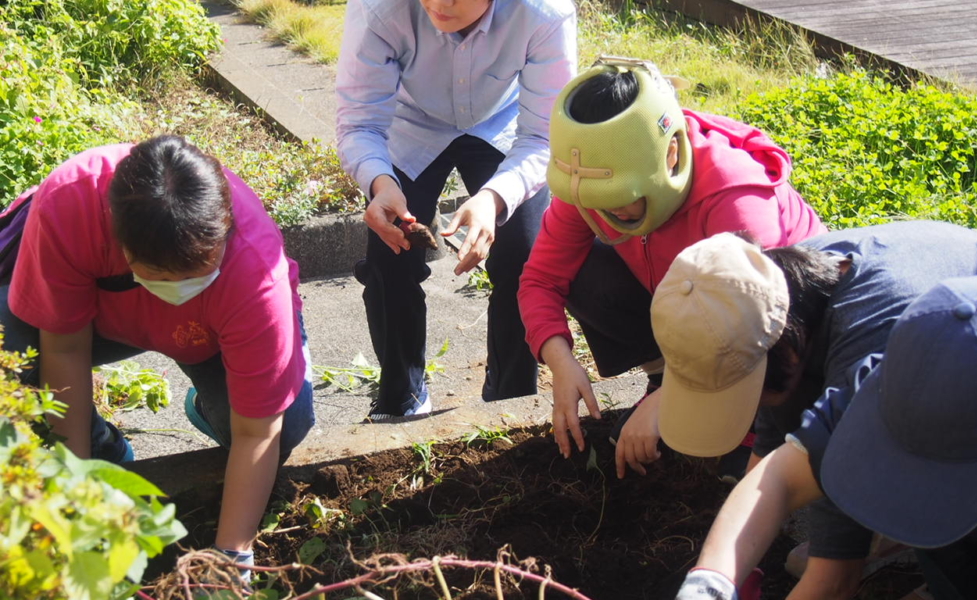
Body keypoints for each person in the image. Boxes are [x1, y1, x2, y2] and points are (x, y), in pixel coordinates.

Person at [0, 136, 314, 573]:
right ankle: (106, 451)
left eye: (196, 274)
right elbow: (65, 347)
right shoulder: (71, 204)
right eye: (162, 276)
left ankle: (212, 404)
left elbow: (257, 433)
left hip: (210, 336)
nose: (179, 288)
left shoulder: (255, 272)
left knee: (288, 423)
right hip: (103, 320)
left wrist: (231, 558)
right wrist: (79, 492)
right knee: (8, 356)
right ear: (121, 245)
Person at [649, 223, 977, 599]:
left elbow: (833, 582)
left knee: (954, 537)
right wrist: (714, 581)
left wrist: (836, 553)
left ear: (790, 351)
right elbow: (779, 476)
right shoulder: (880, 369)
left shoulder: (876, 338)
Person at [516, 56, 825, 478]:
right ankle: (666, 379)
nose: (602, 213)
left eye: (618, 199)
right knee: (587, 271)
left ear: (671, 154)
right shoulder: (591, 186)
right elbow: (540, 279)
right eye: (592, 201)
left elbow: (759, 322)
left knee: (744, 441)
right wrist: (561, 363)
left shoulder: (736, 199)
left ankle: (751, 424)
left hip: (786, 334)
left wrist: (669, 406)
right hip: (699, 305)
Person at [335, 0, 577, 419]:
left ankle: (511, 396)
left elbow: (543, 134)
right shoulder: (378, 8)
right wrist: (381, 182)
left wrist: (494, 197)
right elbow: (360, 123)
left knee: (525, 255)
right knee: (390, 254)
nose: (439, 4)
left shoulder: (544, 12)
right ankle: (402, 393)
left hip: (502, 123)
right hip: (409, 123)